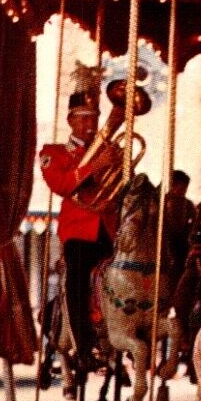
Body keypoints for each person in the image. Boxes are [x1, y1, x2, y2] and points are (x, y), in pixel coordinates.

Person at [39, 70, 122, 375]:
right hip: (78, 231)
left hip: (108, 229)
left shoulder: (106, 150)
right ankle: (84, 348)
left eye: (94, 118)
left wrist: (117, 185)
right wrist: (96, 165)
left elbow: (119, 185)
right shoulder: (54, 152)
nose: (90, 125)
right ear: (71, 120)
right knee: (76, 280)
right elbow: (60, 184)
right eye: (84, 118)